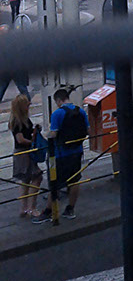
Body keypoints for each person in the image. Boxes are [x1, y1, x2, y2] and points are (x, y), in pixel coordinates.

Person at [33, 87, 88, 223]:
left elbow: (54, 134)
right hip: (77, 151)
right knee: (74, 180)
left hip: (60, 154)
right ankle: (70, 209)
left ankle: (49, 212)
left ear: (58, 100)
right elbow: (88, 130)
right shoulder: (81, 111)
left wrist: (44, 135)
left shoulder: (57, 113)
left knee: (55, 183)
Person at [9, 93, 42, 218]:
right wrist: (33, 143)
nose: (29, 105)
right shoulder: (18, 121)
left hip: (22, 153)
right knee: (37, 177)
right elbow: (20, 139)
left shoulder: (21, 119)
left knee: (25, 180)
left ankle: (24, 208)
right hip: (24, 153)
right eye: (26, 104)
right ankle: (32, 207)